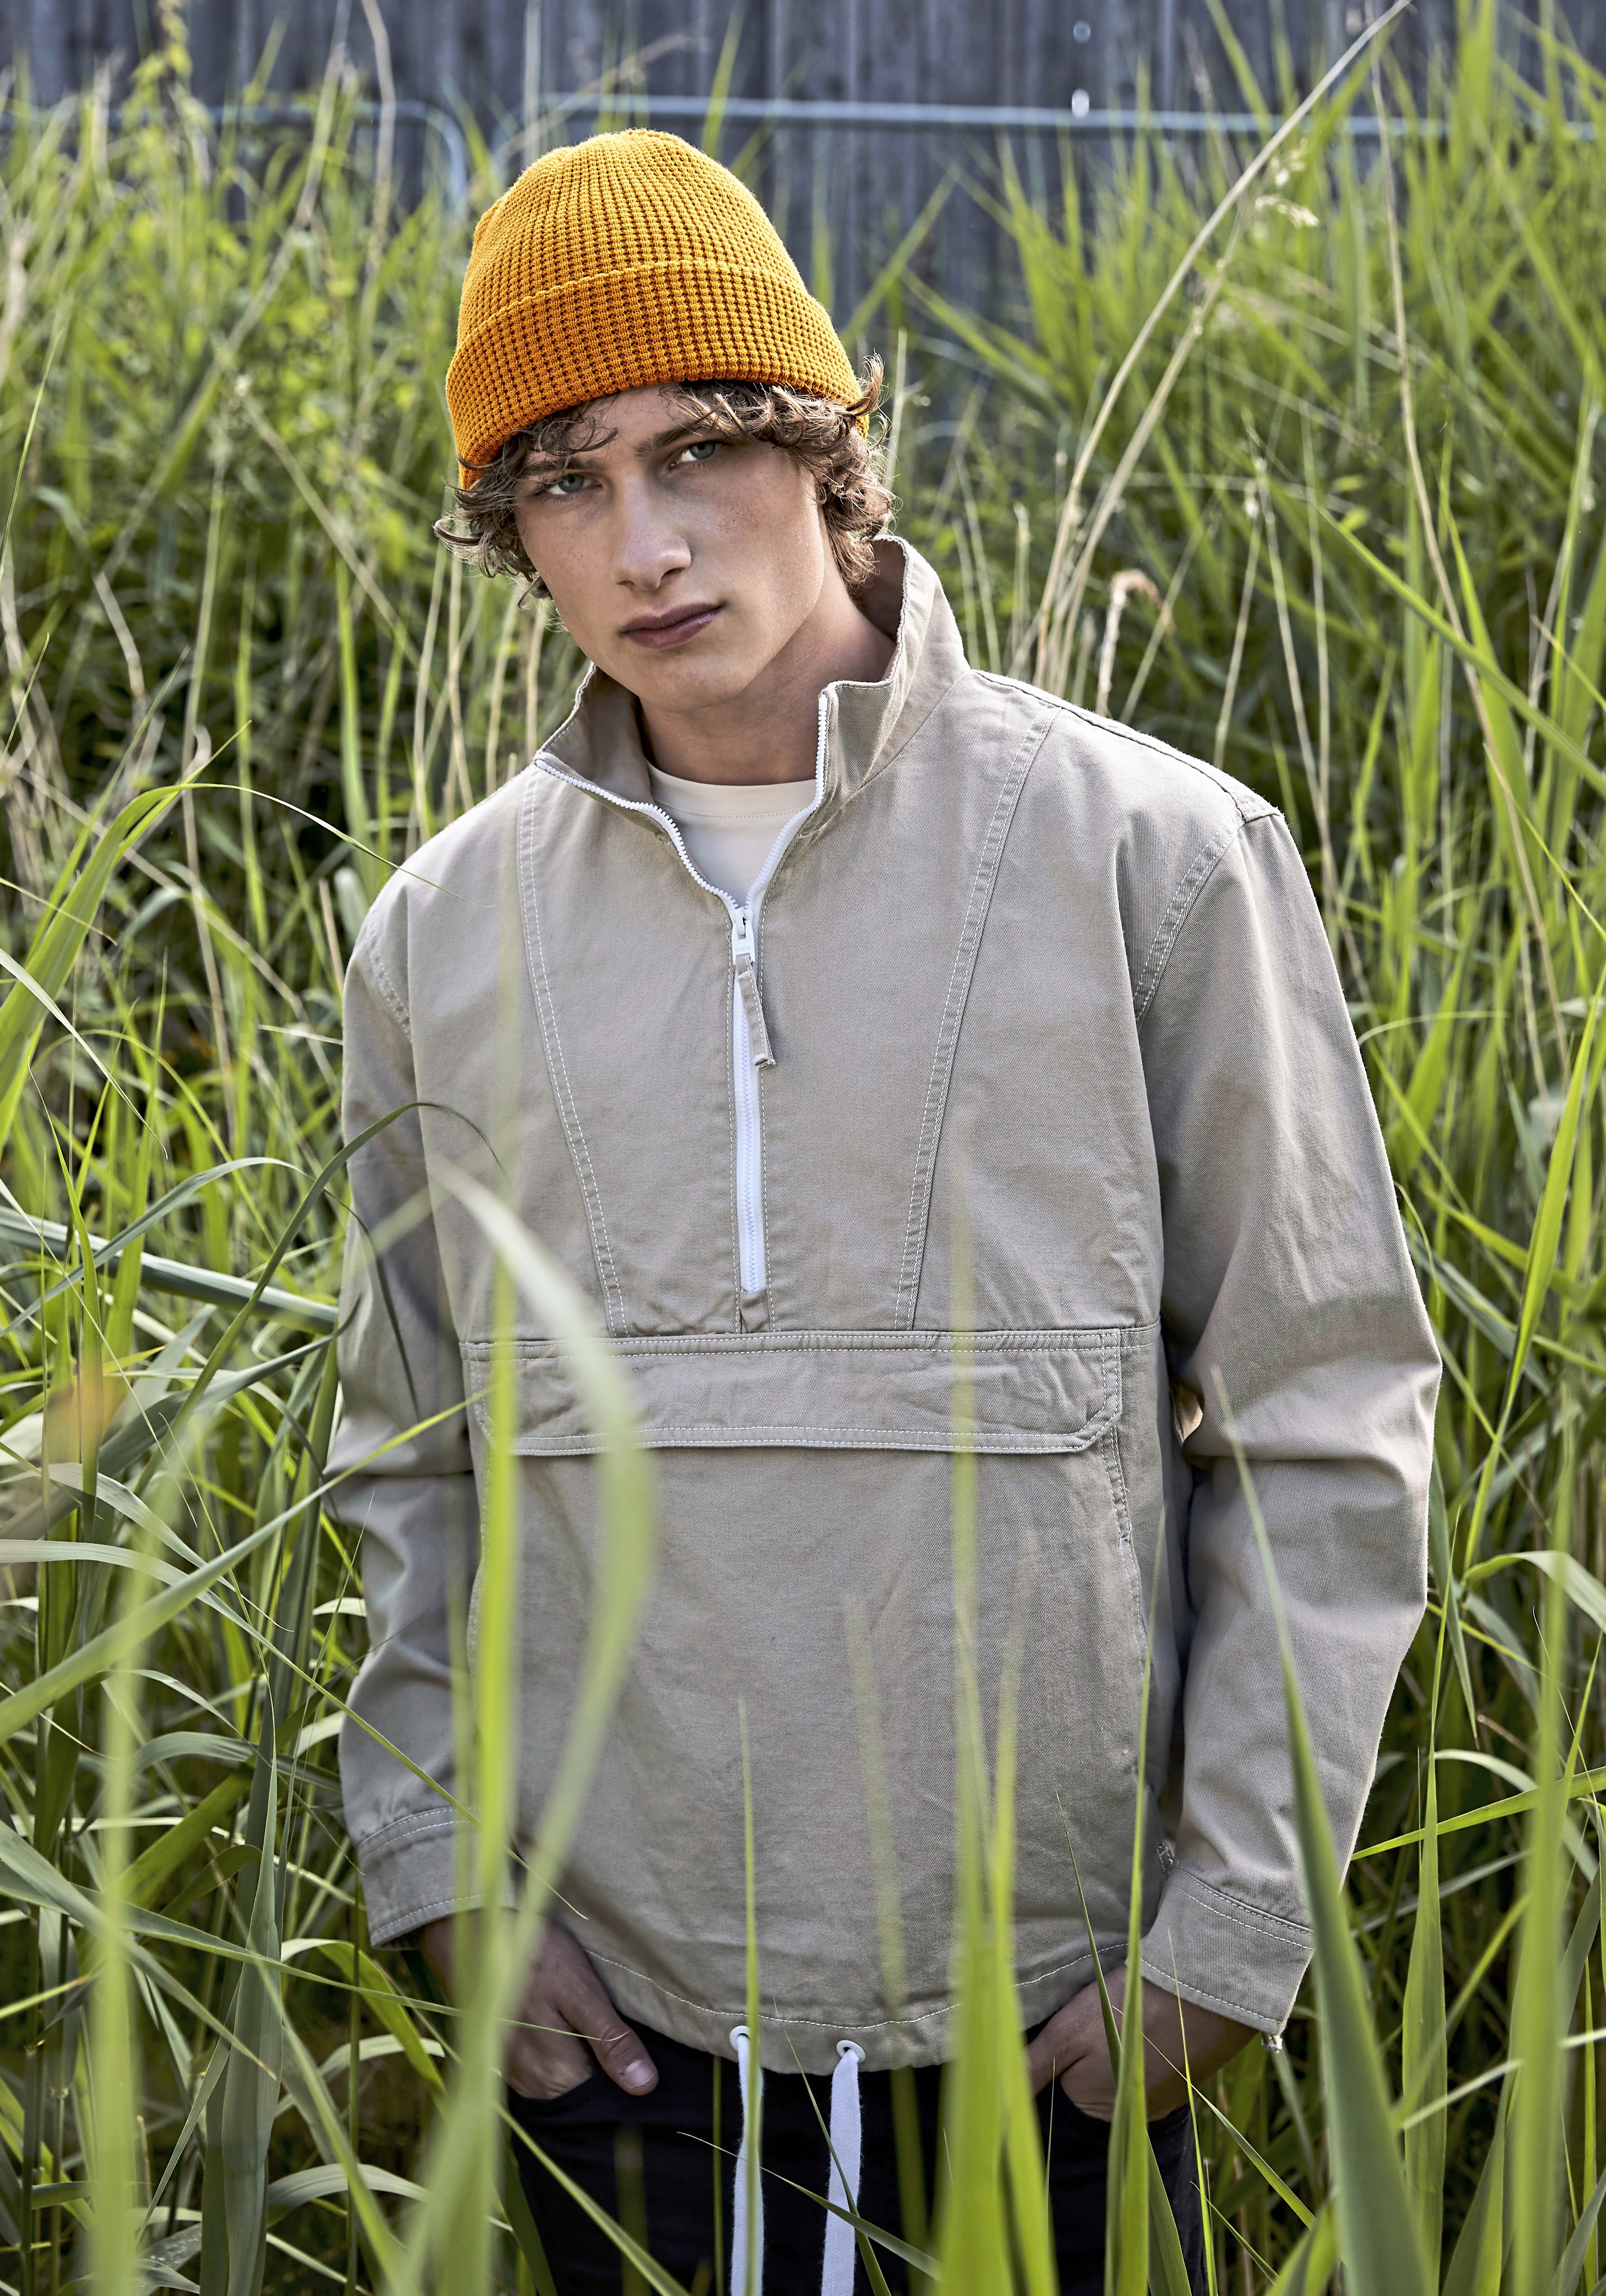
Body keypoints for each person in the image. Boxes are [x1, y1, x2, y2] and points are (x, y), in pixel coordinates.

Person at [326, 130, 1438, 2295]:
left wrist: (1230, 1930)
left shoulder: (1154, 857)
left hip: (1057, 2019)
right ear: (512, 535)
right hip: (619, 2034)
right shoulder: (442, 936)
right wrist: (443, 1876)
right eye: (566, 483)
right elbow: (408, 1449)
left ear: (824, 449)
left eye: (698, 450)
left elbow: (1326, 1414)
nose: (645, 543)